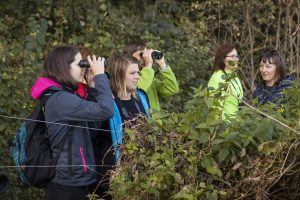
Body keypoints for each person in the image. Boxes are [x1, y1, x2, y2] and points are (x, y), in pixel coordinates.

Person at [30, 45, 114, 200]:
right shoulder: (61, 99)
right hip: (66, 185)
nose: (84, 68)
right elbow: (107, 110)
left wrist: (94, 87)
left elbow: (92, 127)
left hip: (76, 180)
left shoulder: (66, 96)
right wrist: (101, 76)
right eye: (80, 64)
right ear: (64, 67)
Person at [90, 54, 150, 199]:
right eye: (132, 73)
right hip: (110, 178)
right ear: (119, 74)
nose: (137, 77)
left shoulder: (141, 97)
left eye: (138, 73)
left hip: (140, 174)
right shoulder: (106, 104)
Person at [123, 41, 179, 112]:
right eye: (141, 54)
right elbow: (139, 90)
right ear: (129, 56)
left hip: (154, 123)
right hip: (138, 121)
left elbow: (172, 89)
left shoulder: (149, 78)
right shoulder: (124, 77)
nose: (144, 57)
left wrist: (163, 65)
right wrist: (148, 64)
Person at [207, 44, 243, 120]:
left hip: (236, 125)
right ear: (223, 59)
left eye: (237, 56)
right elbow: (215, 107)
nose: (236, 59)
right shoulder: (217, 76)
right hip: (223, 126)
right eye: (232, 56)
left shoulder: (234, 76)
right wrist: (219, 127)